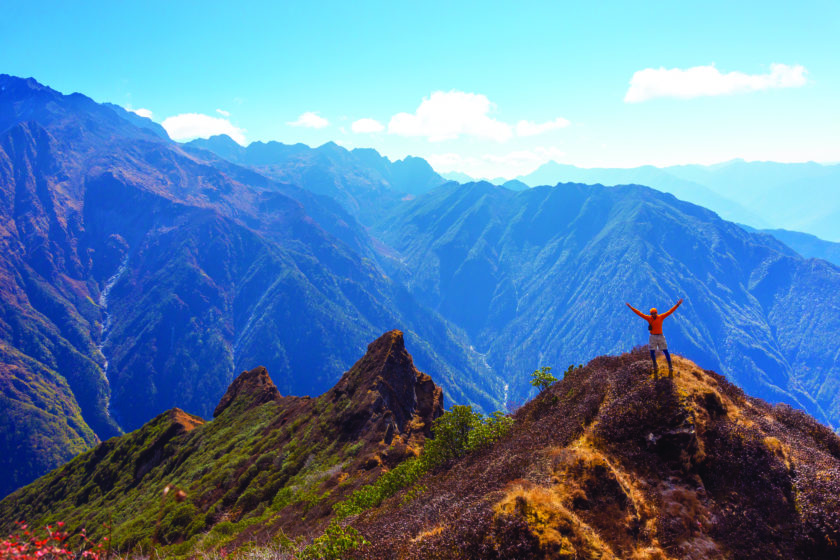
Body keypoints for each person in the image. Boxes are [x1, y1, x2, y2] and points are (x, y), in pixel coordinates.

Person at [626, 299, 683, 377]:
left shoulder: (661, 317)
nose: (653, 315)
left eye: (654, 313)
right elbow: (639, 313)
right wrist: (631, 307)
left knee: (665, 351)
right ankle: (655, 365)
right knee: (652, 351)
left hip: (659, 336)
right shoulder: (649, 318)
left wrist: (677, 305)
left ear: (656, 313)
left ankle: (670, 366)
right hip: (653, 336)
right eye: (652, 313)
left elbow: (670, 311)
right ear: (651, 314)